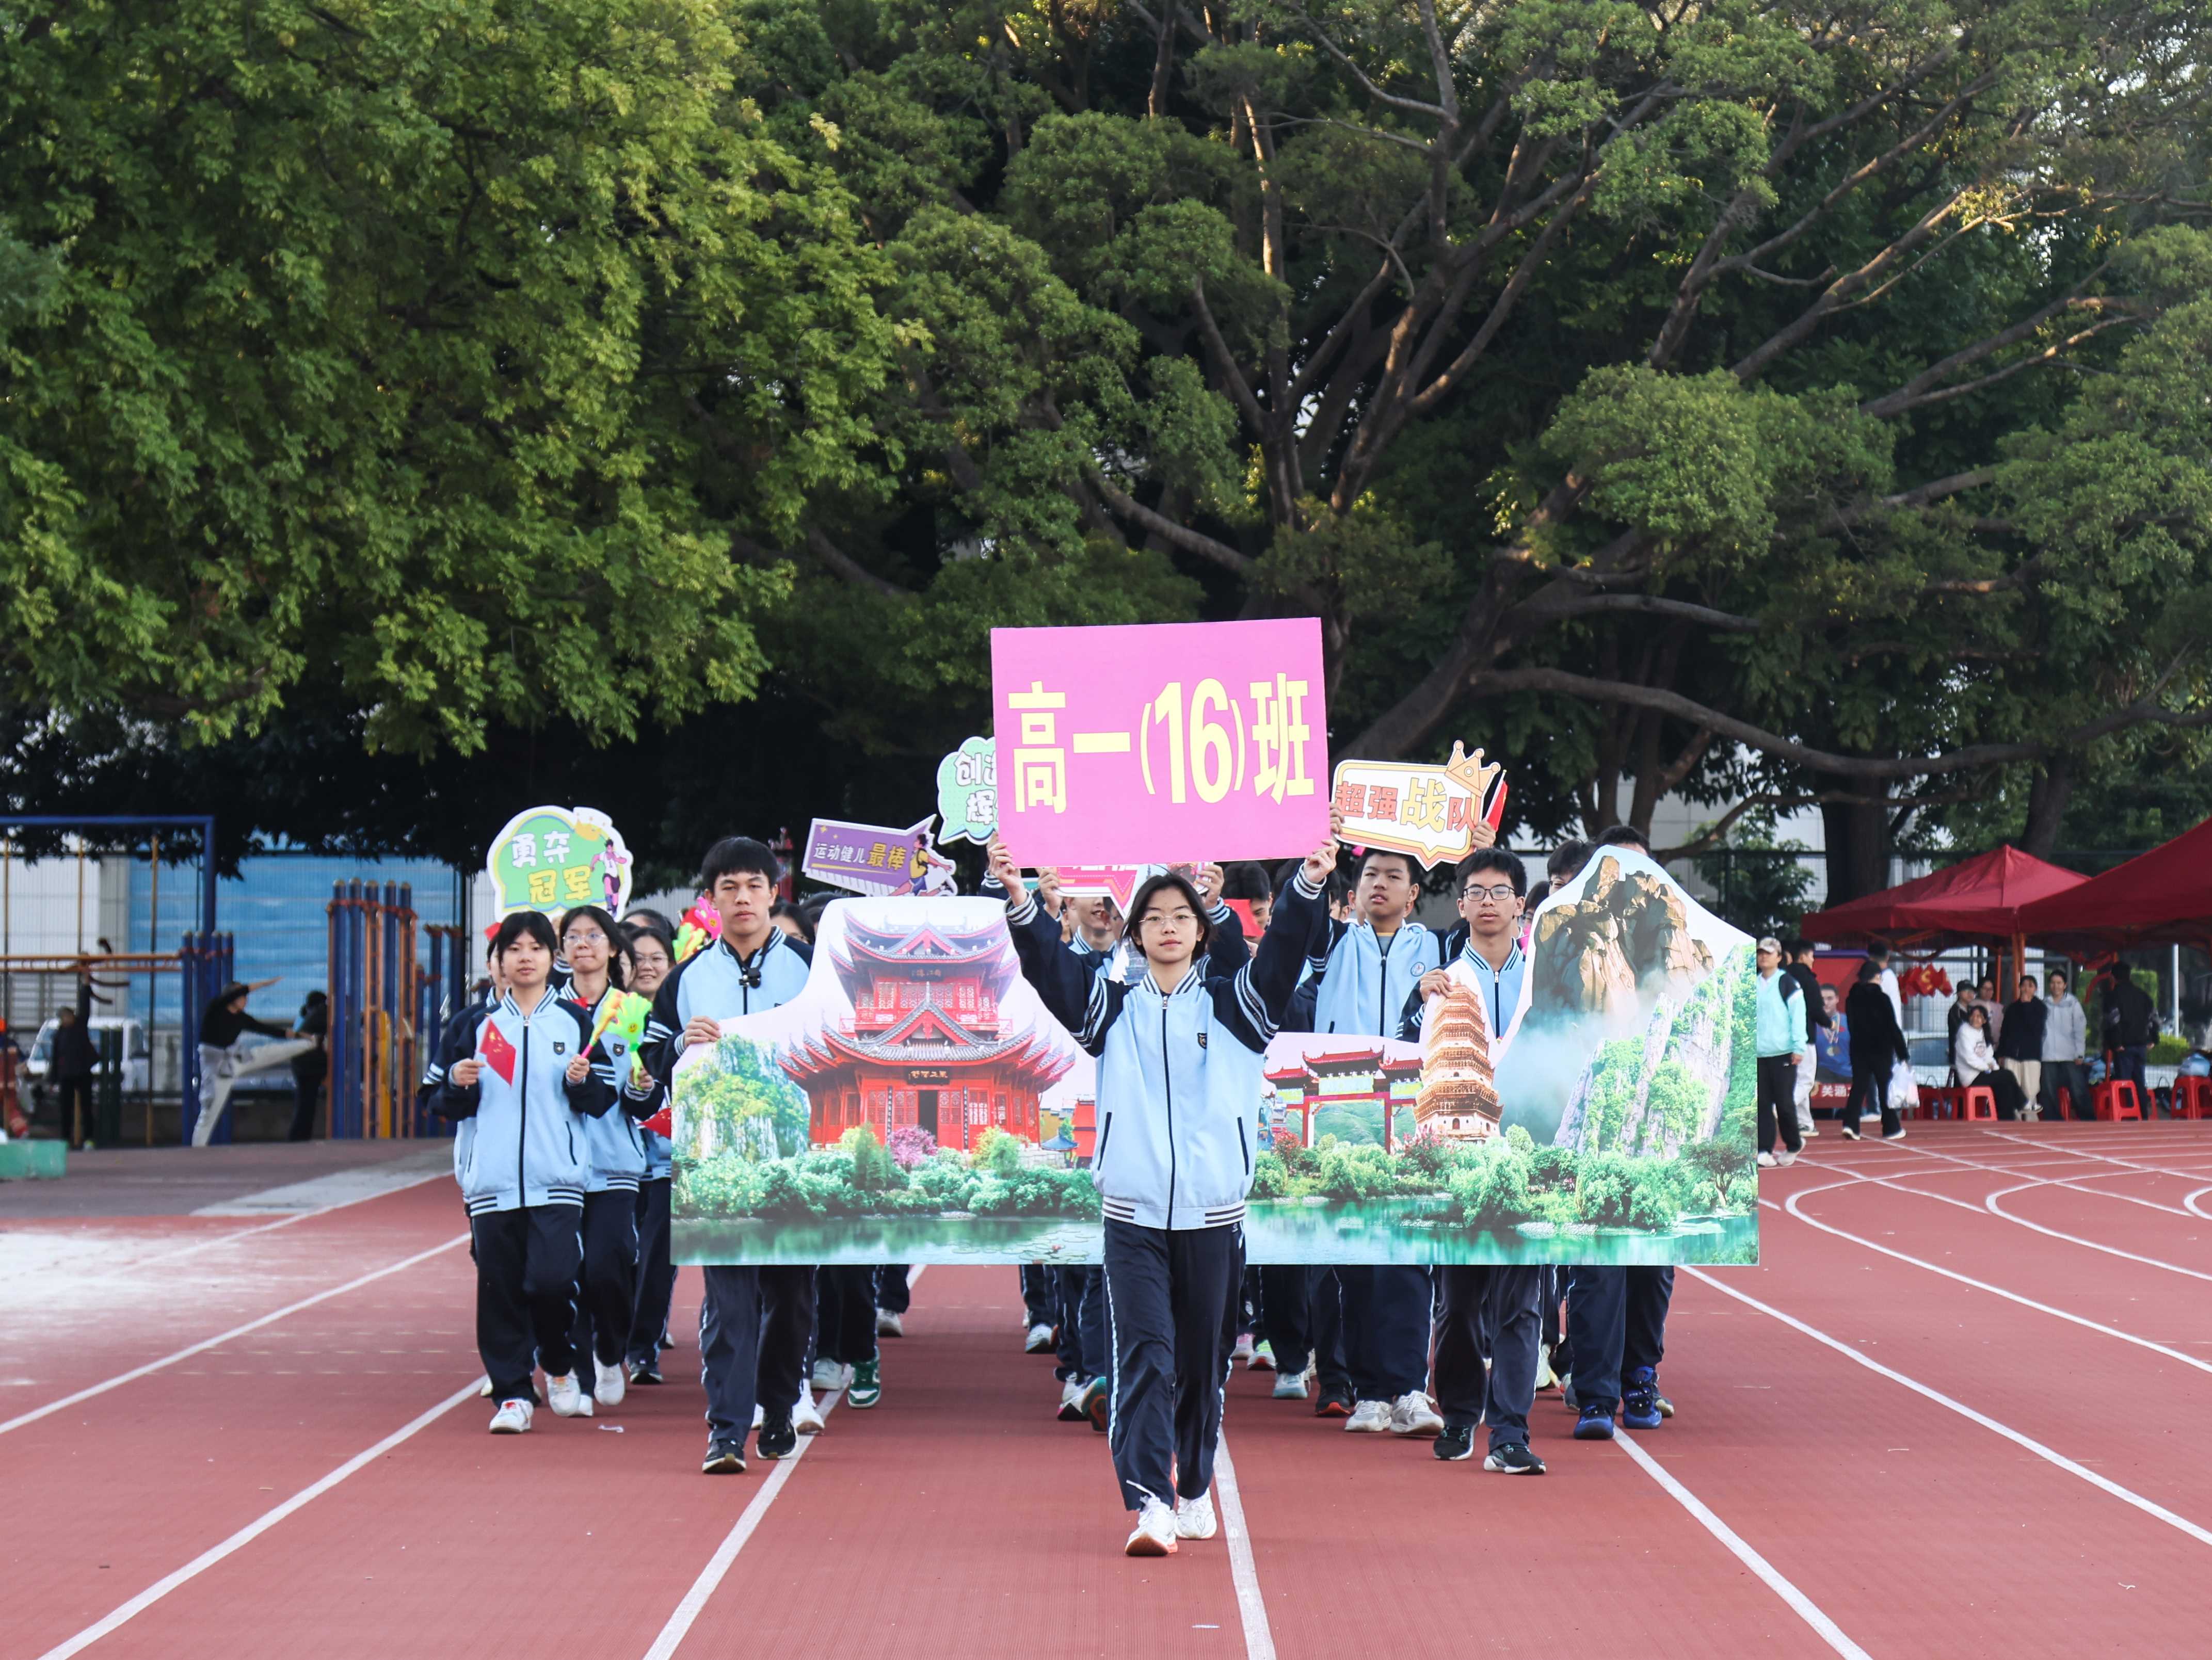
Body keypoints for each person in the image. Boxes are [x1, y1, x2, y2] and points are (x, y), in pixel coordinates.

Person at [991, 822, 1333, 1556]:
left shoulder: (1237, 1009)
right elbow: (1049, 968)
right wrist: (1017, 899)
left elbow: (1280, 956)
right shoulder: (1111, 1011)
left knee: (1202, 1366)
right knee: (1145, 1357)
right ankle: (1149, 1500)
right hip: (1134, 1216)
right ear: (1136, 933)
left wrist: (1307, 882)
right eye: (1153, 918)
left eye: (1181, 916)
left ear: (1202, 930)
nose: (1168, 927)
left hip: (1213, 1217)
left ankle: (1194, 1483)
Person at [634, 836, 821, 1474]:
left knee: (791, 1300)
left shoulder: (811, 969)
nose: (743, 898)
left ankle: (778, 1404)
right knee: (729, 1302)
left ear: (774, 893)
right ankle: (725, 1430)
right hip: (714, 1161)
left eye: (754, 886)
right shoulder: (687, 979)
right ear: (710, 899)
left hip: (795, 1161)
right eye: (729, 887)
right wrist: (678, 1047)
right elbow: (651, 1054)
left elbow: (846, 1038)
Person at [428, 910, 618, 1433]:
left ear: (552, 957)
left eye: (536, 947)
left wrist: (581, 1082)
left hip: (557, 1179)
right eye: (514, 949)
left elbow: (602, 1099)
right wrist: (458, 1082)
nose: (525, 957)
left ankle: (557, 1362)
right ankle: (512, 1394)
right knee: (500, 1289)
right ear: (499, 960)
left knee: (552, 1281)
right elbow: (436, 1099)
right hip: (491, 1183)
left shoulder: (574, 1021)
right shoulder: (472, 1025)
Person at [1404, 848, 1546, 1475]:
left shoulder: (1544, 979)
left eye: (1500, 891)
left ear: (1520, 904)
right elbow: (1404, 1060)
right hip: (1458, 1160)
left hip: (1528, 1158)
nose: (1488, 902)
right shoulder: (1440, 983)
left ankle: (1509, 1431)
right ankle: (1461, 1413)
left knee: (1521, 1301)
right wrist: (1416, 1000)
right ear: (1459, 904)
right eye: (1476, 892)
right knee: (1457, 1303)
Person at [1298, 843, 1445, 1437]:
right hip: (1343, 1120)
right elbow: (1301, 919)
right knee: (1354, 1262)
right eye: (1369, 875)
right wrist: (1317, 861)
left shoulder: (1438, 949)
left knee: (1407, 1259)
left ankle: (1409, 1389)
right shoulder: (1331, 943)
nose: (1378, 883)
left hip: (1413, 1121)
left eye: (1392, 875)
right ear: (1353, 888)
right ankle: (1368, 1393)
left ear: (1413, 892)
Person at [558, 905, 648, 1411]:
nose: (583, 944)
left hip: (615, 1163)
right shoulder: (550, 1011)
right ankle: (579, 1371)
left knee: (606, 1270)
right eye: (573, 936)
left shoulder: (632, 1011)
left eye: (594, 935)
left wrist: (643, 1086)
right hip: (559, 1167)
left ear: (613, 947)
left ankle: (611, 1353)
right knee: (565, 1273)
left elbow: (647, 1099)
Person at [622, 921, 682, 1384]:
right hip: (617, 1163)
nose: (647, 966)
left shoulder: (684, 1018)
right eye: (637, 958)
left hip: (666, 1162)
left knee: (658, 1260)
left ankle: (643, 1347)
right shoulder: (607, 1017)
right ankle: (612, 1338)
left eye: (657, 958)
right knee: (618, 1259)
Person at [193, 981, 312, 1146]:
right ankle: (197, 1151)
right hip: (217, 1070)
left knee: (268, 1052)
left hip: (236, 1059)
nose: (246, 1000)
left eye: (246, 997)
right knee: (209, 1113)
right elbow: (234, 994)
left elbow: (268, 1030)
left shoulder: (242, 1018)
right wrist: (264, 984)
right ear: (231, 997)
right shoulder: (216, 1009)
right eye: (242, 996)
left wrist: (298, 1035)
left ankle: (313, 1044)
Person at [1753, 937, 1806, 1167]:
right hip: (1759, 1054)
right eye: (1760, 953)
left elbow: (1798, 1016)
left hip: (1783, 1053)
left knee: (1784, 1103)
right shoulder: (1753, 983)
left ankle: (1794, 1143)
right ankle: (1764, 1149)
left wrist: (1799, 1047)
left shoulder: (1788, 983)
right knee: (1762, 1104)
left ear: (1779, 957)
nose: (1763, 957)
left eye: (1768, 953)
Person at [1841, 961, 1909, 1140]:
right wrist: (1903, 1052)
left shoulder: (1852, 999)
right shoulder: (1882, 998)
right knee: (1885, 1087)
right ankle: (1891, 1128)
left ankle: (1850, 1125)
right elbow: (1892, 1027)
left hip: (1859, 1049)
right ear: (1878, 976)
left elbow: (1852, 1026)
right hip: (1881, 1049)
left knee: (1859, 1087)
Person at [1952, 1003, 2027, 1118]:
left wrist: (1994, 1068)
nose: (1975, 1018)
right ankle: (2023, 1104)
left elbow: (1989, 1057)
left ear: (1984, 1021)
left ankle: (2006, 1117)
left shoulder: (1983, 1033)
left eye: (1979, 1016)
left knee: (2004, 1084)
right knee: (2007, 1075)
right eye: (1973, 1015)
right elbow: (1969, 1058)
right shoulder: (1964, 1032)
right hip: (1971, 1078)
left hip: (1983, 1073)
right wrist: (1987, 1067)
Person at [1783, 939, 1825, 1140]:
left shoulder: (1782, 977)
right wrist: (1830, 1023)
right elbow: (1816, 1009)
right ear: (1802, 957)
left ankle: (1805, 1123)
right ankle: (1782, 1108)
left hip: (1784, 1037)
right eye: (1811, 956)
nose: (1813, 960)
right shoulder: (1808, 980)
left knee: (1798, 1080)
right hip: (1805, 1037)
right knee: (1807, 1080)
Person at [2040, 969, 2090, 1121]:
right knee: (2048, 1090)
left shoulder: (2073, 1003)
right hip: (2048, 1054)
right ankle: (2053, 1120)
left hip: (2070, 1055)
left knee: (2078, 1088)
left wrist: (2080, 1053)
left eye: (2059, 983)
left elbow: (2080, 1029)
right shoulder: (2044, 1003)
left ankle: (2088, 1119)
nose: (2056, 986)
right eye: (2053, 983)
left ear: (2065, 985)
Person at [1996, 973, 2047, 1122]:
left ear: (2035, 989)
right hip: (2011, 1054)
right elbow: (2005, 1032)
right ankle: (2015, 1120)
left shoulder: (2040, 1007)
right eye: (2023, 985)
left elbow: (2036, 1029)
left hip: (2031, 1055)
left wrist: (2027, 1006)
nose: (2026, 989)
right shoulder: (2012, 1008)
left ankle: (2031, 1120)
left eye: (2030, 986)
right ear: (2019, 988)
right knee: (2013, 1087)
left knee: (2030, 1089)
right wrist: (2001, 1054)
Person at [2104, 971, 2159, 1102]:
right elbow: (2154, 1018)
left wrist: (2116, 1043)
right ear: (2129, 976)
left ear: (2113, 978)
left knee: (2125, 1082)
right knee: (2140, 1081)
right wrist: (2153, 1038)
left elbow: (2113, 1021)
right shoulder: (2143, 995)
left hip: (2124, 1046)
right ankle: (2142, 1110)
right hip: (2141, 1045)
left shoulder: (2114, 996)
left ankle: (2129, 1109)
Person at [48, 1003, 97, 1149]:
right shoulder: (59, 1034)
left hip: (83, 1073)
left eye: (68, 1016)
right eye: (63, 1017)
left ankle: (89, 1139)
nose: (66, 1019)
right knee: (65, 1109)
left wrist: (86, 990)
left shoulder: (81, 1027)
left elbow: (85, 1008)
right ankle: (65, 1139)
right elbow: (55, 1057)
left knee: (86, 1108)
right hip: (66, 1075)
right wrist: (53, 1079)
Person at [1814, 984, 1852, 1086]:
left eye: (1830, 999)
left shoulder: (1849, 1021)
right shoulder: (1812, 1024)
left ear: (1837, 999)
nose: (1826, 1003)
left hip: (1849, 1073)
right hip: (1821, 1074)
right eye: (1822, 999)